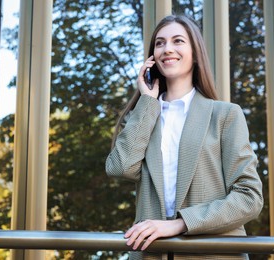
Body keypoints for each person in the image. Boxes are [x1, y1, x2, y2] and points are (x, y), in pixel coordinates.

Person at [106, 14, 263, 259]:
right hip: (152, 255)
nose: (167, 49)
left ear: (195, 53)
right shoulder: (143, 116)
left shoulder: (225, 115)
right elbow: (120, 168)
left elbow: (249, 197)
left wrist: (180, 224)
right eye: (159, 43)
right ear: (152, 57)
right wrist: (147, 102)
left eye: (178, 41)